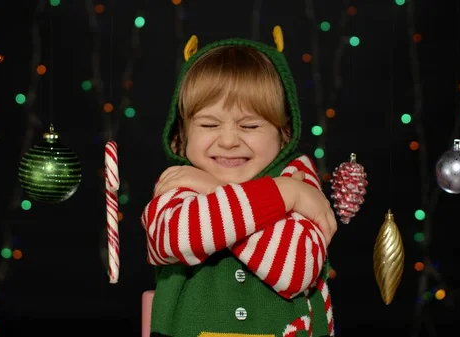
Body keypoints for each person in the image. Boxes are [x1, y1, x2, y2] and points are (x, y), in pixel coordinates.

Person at [141, 27, 338, 337]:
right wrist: (282, 196)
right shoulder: (179, 181)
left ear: (284, 133)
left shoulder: (297, 176)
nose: (229, 141)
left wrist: (214, 191)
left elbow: (295, 268)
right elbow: (173, 240)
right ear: (182, 135)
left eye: (250, 125)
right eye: (209, 124)